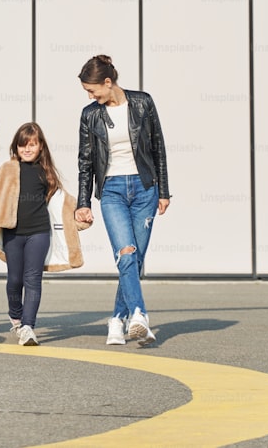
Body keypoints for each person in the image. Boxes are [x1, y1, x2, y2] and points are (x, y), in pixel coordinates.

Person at [75, 55, 170, 346]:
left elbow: (158, 147)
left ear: (108, 82)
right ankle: (139, 315)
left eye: (93, 90)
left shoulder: (143, 103)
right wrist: (83, 202)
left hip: (145, 188)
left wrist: (164, 191)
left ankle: (117, 319)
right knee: (126, 253)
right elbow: (85, 161)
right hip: (112, 191)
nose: (91, 96)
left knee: (134, 260)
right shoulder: (90, 114)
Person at [0, 122, 89, 346]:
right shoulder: (7, 170)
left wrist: (82, 214)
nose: (28, 149)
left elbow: (65, 206)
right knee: (14, 280)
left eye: (33, 144)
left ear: (41, 146)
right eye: (23, 145)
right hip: (14, 233)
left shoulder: (47, 173)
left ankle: (28, 327)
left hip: (39, 233)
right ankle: (16, 316)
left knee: (33, 279)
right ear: (16, 147)